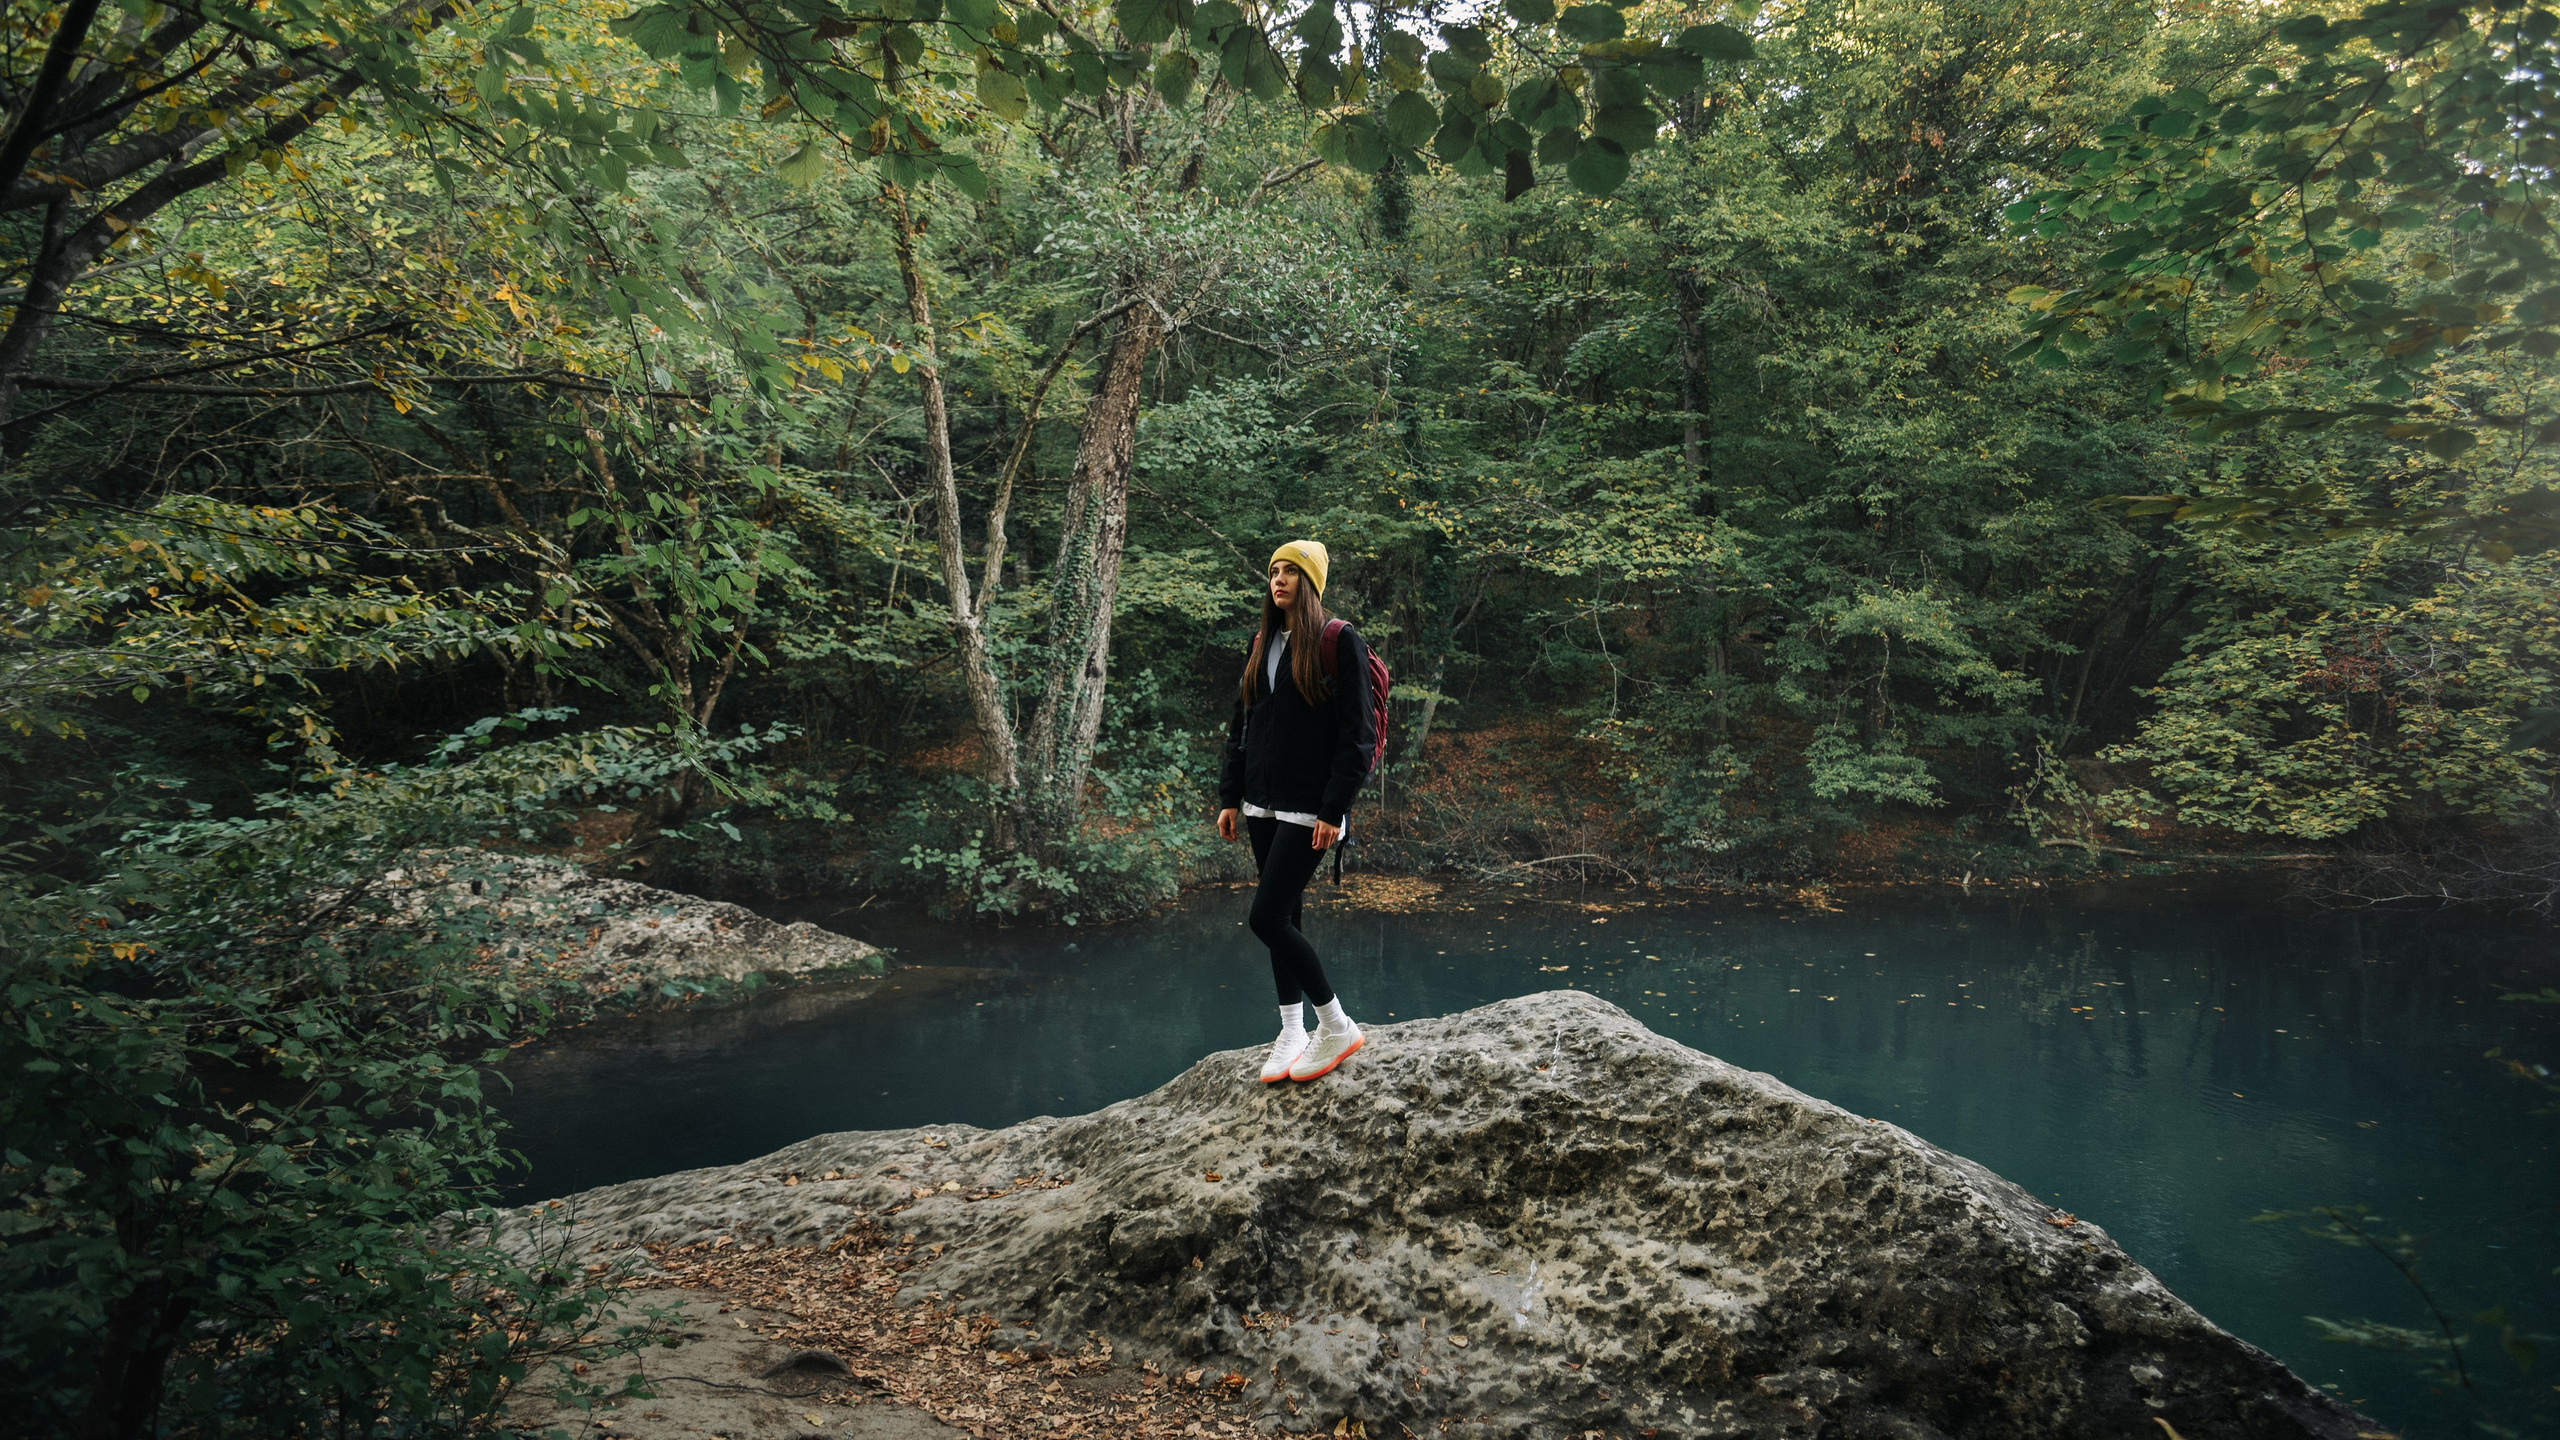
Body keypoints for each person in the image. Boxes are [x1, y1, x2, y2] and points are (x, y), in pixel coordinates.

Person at [1217, 540, 1378, 1084]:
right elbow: (1244, 725)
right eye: (1274, 571)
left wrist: (1336, 809)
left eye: (1290, 572)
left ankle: (1335, 1024)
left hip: (1312, 809)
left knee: (1266, 918)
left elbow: (1358, 735)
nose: (1278, 580)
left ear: (1310, 584)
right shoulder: (1262, 641)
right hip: (1263, 802)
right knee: (1285, 914)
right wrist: (1229, 796)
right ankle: (1291, 1028)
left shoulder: (1339, 640)